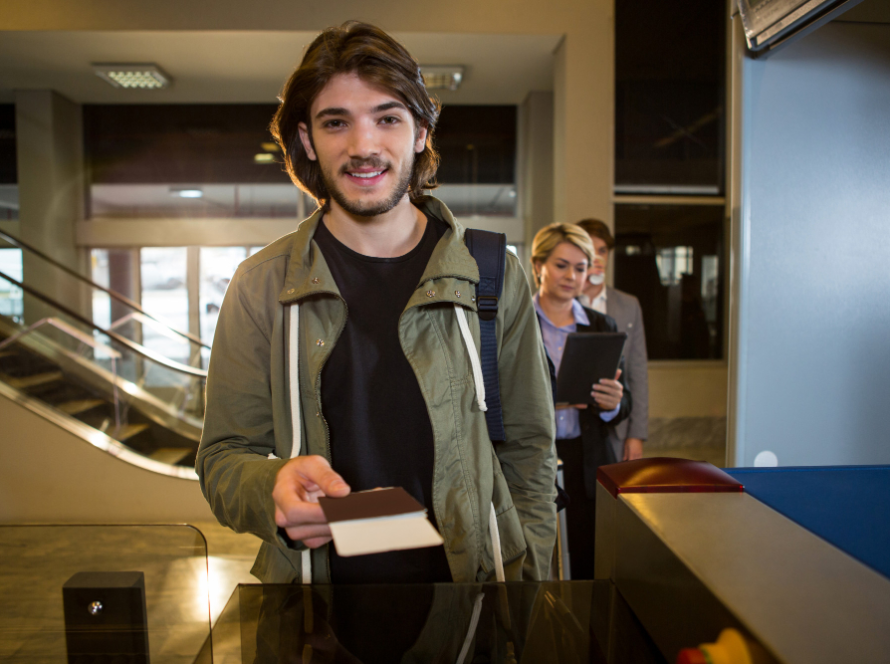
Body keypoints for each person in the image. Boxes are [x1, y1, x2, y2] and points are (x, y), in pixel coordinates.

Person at [196, 21, 557, 586]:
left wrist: (529, 586)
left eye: (387, 117)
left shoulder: (490, 275)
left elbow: (530, 452)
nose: (363, 146)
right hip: (321, 602)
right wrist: (271, 487)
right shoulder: (262, 285)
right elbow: (222, 457)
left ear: (420, 132)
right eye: (336, 122)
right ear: (308, 141)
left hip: (470, 594)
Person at [531, 223, 630, 580]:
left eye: (581, 267)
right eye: (561, 265)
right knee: (538, 562)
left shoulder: (602, 325)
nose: (572, 276)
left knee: (589, 562)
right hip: (534, 456)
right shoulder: (515, 323)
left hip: (586, 459)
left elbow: (625, 400)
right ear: (537, 265)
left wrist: (614, 402)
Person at [576, 218, 648, 462]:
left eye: (603, 251)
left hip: (617, 428)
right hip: (575, 426)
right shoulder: (564, 302)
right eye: (590, 250)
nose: (598, 257)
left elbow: (637, 373)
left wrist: (636, 435)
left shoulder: (628, 305)